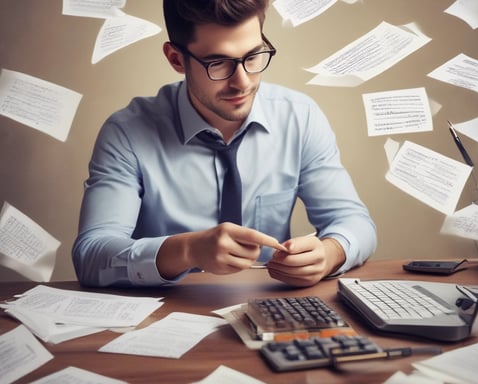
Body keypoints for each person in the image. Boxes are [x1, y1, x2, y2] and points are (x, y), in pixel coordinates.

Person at [72, 0, 377, 288]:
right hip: (166, 316)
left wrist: (330, 253)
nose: (242, 82)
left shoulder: (300, 116)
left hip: (271, 308)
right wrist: (188, 250)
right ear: (176, 59)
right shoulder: (126, 133)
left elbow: (353, 221)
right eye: (218, 63)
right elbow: (91, 256)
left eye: (253, 56)